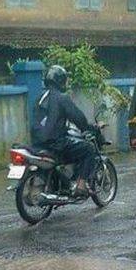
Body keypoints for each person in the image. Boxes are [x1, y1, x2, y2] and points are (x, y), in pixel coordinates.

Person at [32, 65, 96, 198]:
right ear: (60, 81)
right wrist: (87, 128)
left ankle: (64, 183)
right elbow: (78, 118)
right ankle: (81, 185)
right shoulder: (62, 98)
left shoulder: (40, 98)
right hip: (56, 144)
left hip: (38, 144)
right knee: (89, 149)